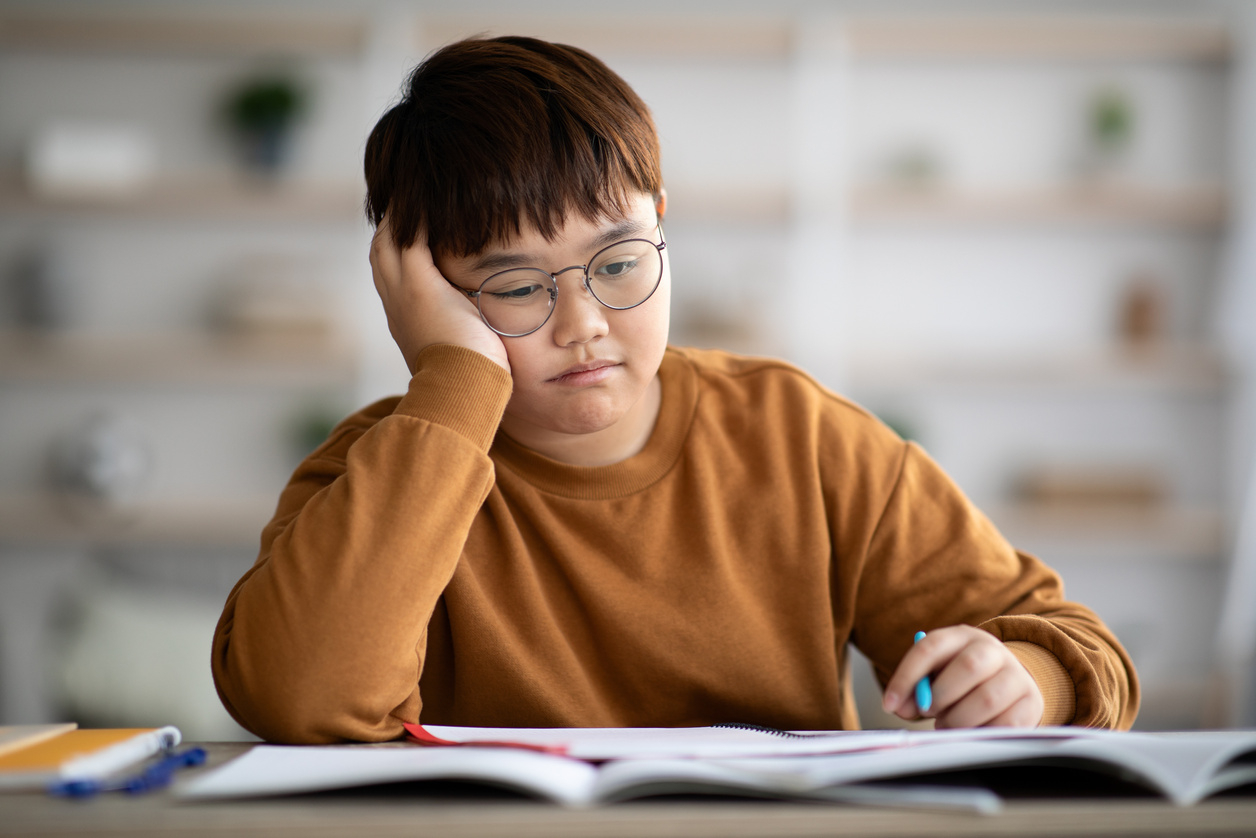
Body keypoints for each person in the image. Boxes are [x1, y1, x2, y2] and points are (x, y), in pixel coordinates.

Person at [211, 36, 1138, 744]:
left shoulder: (800, 437)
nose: (583, 323)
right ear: (425, 297)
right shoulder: (385, 471)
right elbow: (298, 700)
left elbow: (1082, 648)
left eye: (617, 262)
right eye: (516, 286)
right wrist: (452, 383)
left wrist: (1025, 679)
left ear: (663, 228)